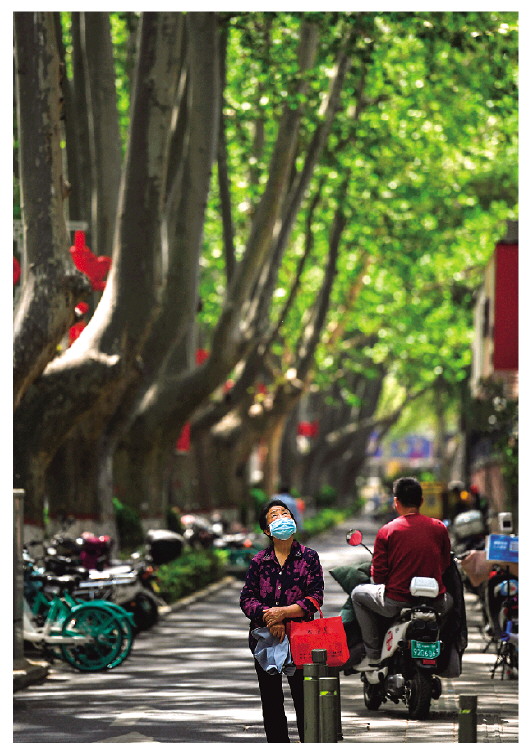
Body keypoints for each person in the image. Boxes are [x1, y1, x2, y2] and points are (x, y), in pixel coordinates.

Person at [240, 498, 324, 742]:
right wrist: (271, 618)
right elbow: (247, 599)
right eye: (274, 516)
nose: (282, 518)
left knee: (304, 699)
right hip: (266, 640)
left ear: (294, 522)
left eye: (285, 513)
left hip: (301, 639)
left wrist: (284, 613)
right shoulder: (259, 561)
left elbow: (315, 597)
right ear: (267, 530)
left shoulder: (309, 558)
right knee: (272, 702)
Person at [351, 476, 453, 671]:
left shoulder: (387, 531)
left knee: (357, 595)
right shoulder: (439, 528)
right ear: (421, 501)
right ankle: (443, 645)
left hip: (396, 602)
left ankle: (373, 655)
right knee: (451, 602)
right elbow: (445, 564)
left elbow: (379, 576)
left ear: (396, 502)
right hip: (435, 602)